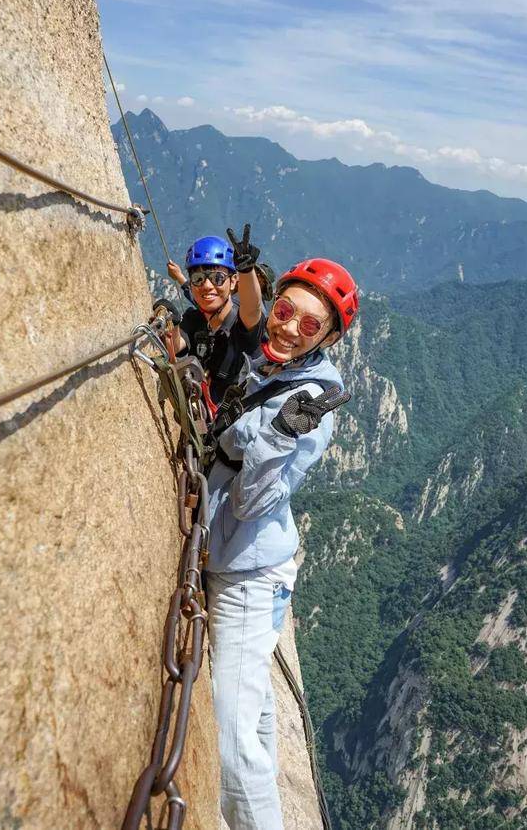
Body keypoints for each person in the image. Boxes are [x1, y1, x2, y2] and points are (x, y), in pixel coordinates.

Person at [205, 258, 359, 830]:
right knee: (260, 714)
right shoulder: (276, 368)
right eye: (286, 310)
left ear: (331, 338)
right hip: (250, 559)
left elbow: (252, 503)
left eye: (310, 325)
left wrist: (275, 436)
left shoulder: (311, 405)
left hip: (247, 574)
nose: (289, 328)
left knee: (231, 739)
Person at [155, 226, 265, 410]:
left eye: (218, 278)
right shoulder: (195, 319)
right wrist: (170, 324)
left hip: (233, 423)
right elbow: (174, 346)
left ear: (233, 282)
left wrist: (247, 270)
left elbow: (252, 310)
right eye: (198, 278)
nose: (206, 286)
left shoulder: (241, 325)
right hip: (202, 412)